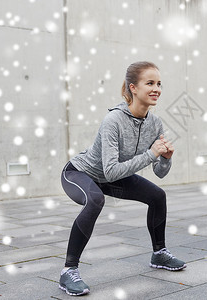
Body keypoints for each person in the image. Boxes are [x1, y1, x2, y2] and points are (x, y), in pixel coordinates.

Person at [59, 61, 186, 296]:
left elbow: (159, 172)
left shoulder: (155, 123)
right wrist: (151, 154)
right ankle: (69, 271)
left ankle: (159, 253)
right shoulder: (113, 121)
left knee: (157, 196)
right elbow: (110, 171)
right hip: (79, 172)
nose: (156, 88)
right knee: (95, 200)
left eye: (159, 83)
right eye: (150, 83)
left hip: (111, 176)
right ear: (133, 88)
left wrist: (165, 158)